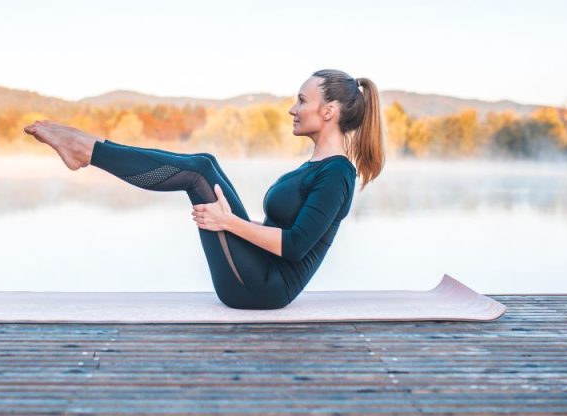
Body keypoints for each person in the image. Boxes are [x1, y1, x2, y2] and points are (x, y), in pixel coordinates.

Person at [23, 69, 385, 310]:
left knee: (197, 172)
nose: (293, 108)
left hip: (264, 289)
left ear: (329, 112)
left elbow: (294, 246)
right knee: (205, 163)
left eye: (302, 100)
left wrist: (227, 222)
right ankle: (90, 148)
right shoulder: (317, 167)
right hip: (257, 273)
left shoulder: (337, 174)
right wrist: (229, 222)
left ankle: (87, 150)